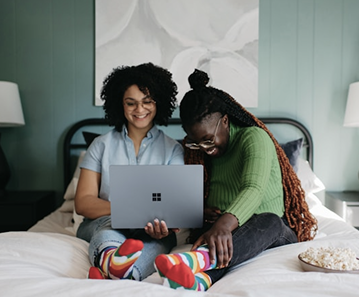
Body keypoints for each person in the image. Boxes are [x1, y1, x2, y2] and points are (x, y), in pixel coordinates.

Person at [154, 69, 317, 291]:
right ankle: (200, 281)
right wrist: (201, 212)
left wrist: (223, 224)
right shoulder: (201, 151)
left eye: (208, 140)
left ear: (225, 121)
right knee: (217, 236)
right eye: (196, 143)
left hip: (272, 231)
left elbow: (253, 189)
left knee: (268, 220)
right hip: (230, 231)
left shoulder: (254, 138)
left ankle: (195, 261)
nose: (205, 150)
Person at [75, 63, 184, 281]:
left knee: (160, 241)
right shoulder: (100, 145)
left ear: (158, 103)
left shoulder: (173, 149)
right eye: (131, 103)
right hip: (105, 221)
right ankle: (114, 264)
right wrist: (125, 212)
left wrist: (163, 226)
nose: (140, 110)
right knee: (108, 227)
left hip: (151, 229)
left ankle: (116, 271)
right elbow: (83, 203)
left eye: (147, 101)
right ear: (120, 104)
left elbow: (175, 207)